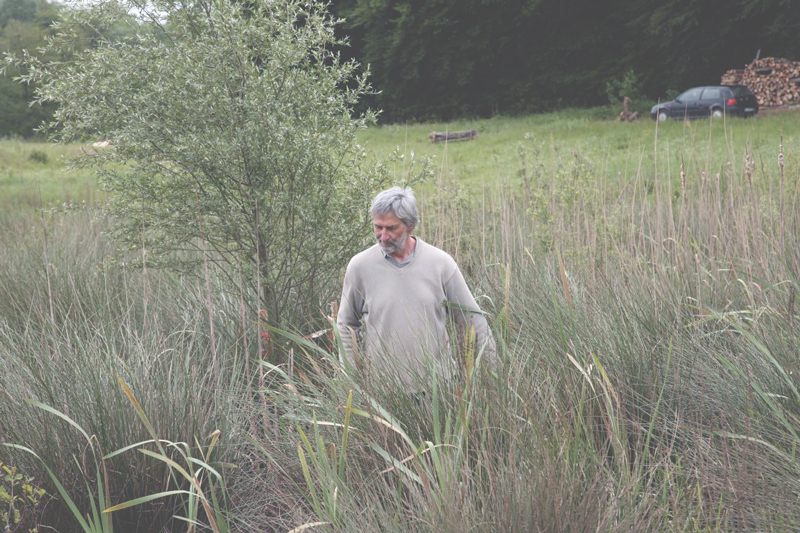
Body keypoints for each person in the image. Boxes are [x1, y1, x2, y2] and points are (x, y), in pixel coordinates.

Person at [336, 186, 496, 388]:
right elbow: (346, 324)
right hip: (384, 392)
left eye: (391, 228)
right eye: (378, 227)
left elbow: (472, 319)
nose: (383, 236)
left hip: (440, 390)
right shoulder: (359, 266)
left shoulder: (441, 263)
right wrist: (351, 380)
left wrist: (491, 376)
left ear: (410, 225)